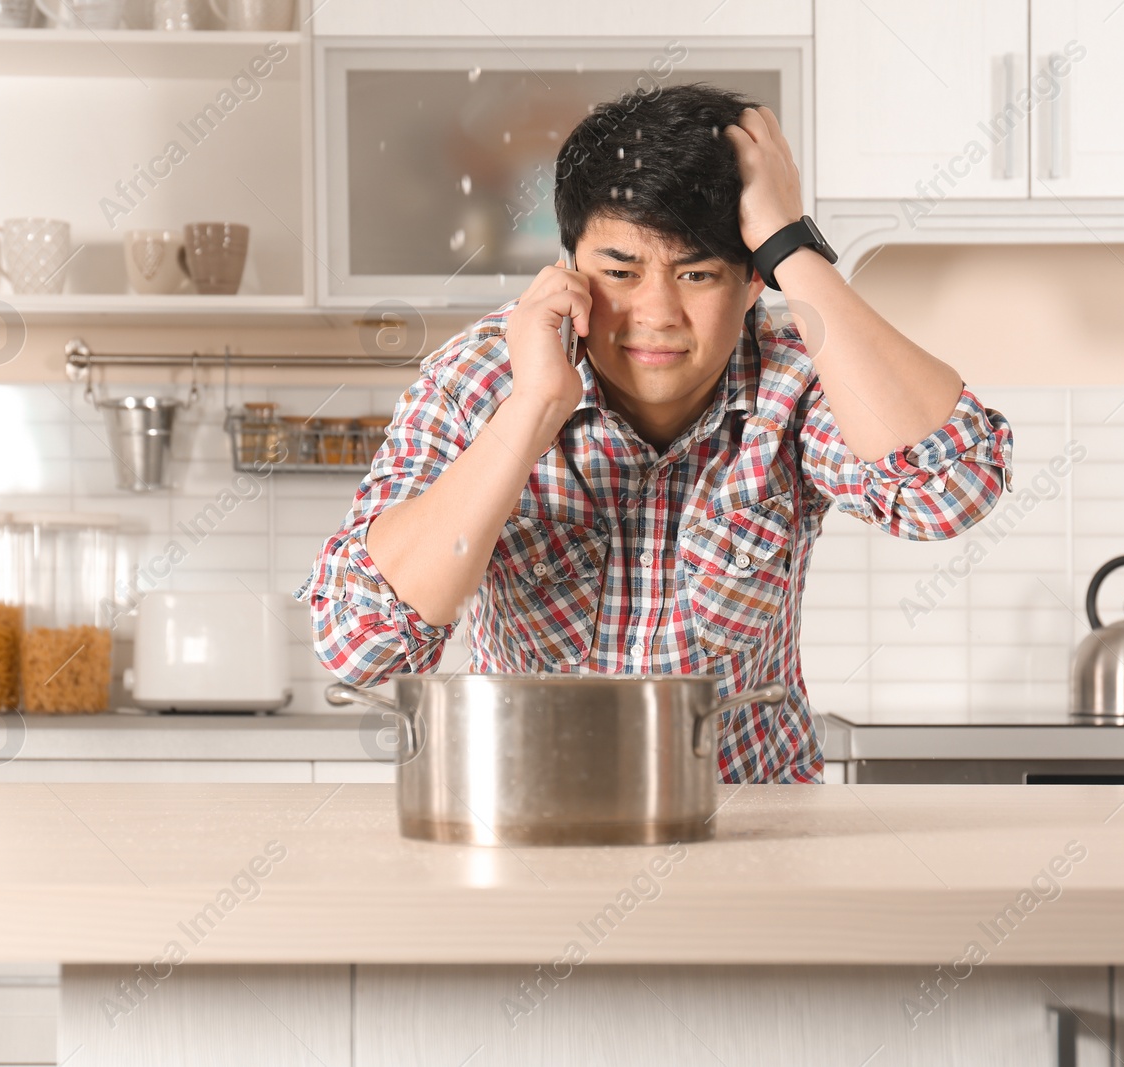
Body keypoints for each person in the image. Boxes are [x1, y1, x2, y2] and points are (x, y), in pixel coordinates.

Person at [297, 83, 1012, 783]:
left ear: (752, 281)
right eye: (621, 270)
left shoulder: (796, 376)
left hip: (754, 833)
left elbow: (950, 492)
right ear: (568, 266)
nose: (657, 312)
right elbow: (364, 646)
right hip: (530, 821)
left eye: (697, 274)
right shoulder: (480, 375)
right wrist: (534, 409)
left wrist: (791, 244)